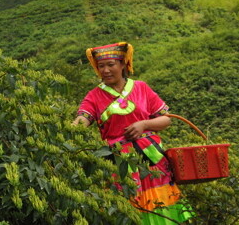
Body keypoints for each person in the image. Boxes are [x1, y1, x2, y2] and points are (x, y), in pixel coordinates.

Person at [72, 42, 193, 224]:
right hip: (119, 162)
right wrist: (70, 128)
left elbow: (166, 119)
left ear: (123, 64)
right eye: (101, 66)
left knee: (161, 208)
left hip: (152, 161)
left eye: (111, 65)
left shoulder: (141, 88)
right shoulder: (94, 96)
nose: (105, 70)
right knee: (128, 207)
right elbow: (83, 118)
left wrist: (144, 125)